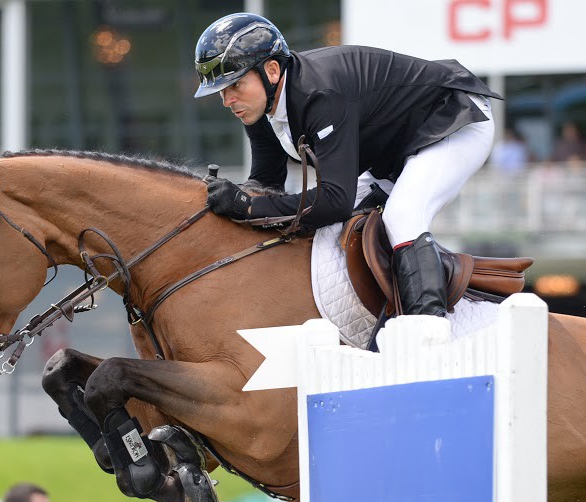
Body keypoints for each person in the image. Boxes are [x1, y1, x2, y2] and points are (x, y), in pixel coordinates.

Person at [194, 13, 500, 316]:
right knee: (332, 234)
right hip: (394, 149)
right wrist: (235, 204)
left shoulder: (320, 95)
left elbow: (334, 201)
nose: (226, 100)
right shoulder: (259, 104)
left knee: (402, 216)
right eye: (221, 90)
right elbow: (265, 183)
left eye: (235, 85)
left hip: (453, 121)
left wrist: (246, 207)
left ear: (272, 71)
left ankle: (429, 332)